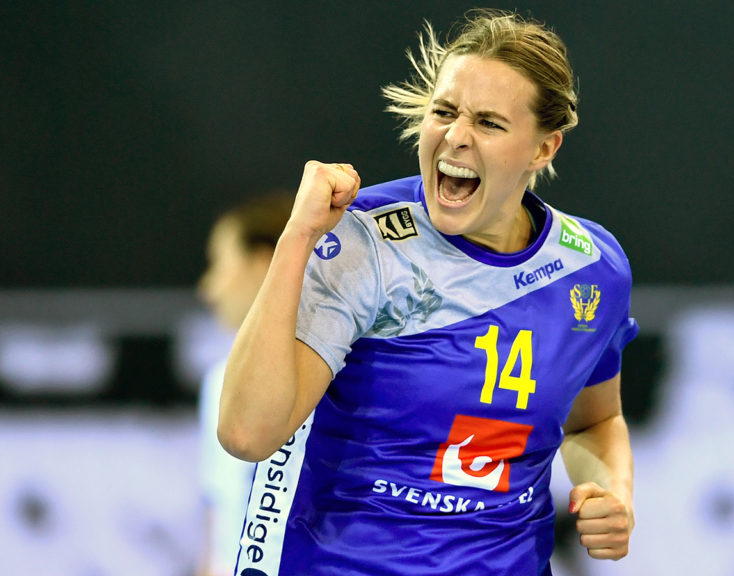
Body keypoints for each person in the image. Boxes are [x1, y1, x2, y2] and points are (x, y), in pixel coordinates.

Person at [219, 9, 638, 575]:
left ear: (543, 149)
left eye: (488, 123)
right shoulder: (365, 241)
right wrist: (297, 237)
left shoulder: (591, 268)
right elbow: (247, 434)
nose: (456, 137)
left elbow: (594, 421)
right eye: (444, 112)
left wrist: (611, 493)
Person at [195, 193, 294, 576]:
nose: (209, 289)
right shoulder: (217, 382)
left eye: (219, 265)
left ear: (262, 263)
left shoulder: (336, 380)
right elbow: (219, 522)